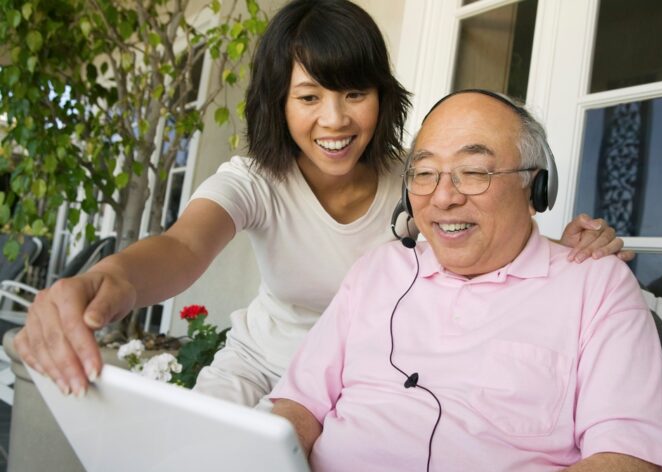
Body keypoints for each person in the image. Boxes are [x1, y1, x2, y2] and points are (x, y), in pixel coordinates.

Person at [15, 0, 628, 401]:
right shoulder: (254, 180)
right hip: (257, 369)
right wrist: (104, 282)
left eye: (353, 92)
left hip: (371, 380)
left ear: (381, 98)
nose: (334, 120)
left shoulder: (417, 183)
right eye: (308, 97)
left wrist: (569, 246)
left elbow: (487, 233)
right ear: (279, 105)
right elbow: (180, 246)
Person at [270, 89, 662, 472]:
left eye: (473, 172)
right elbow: (297, 405)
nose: (444, 197)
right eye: (425, 173)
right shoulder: (377, 270)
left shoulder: (596, 286)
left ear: (535, 189)